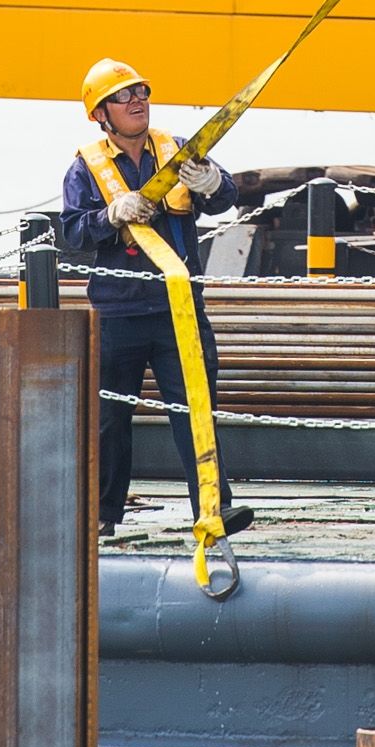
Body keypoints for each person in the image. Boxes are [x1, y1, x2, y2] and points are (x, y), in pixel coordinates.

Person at [56, 58, 254, 541]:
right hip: (118, 312)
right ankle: (101, 516)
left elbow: (224, 195)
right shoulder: (86, 168)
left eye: (141, 90)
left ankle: (213, 510)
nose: (137, 100)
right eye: (124, 95)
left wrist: (213, 184)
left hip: (177, 307)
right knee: (108, 418)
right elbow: (71, 234)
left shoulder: (179, 151)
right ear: (101, 114)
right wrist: (110, 215)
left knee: (195, 410)